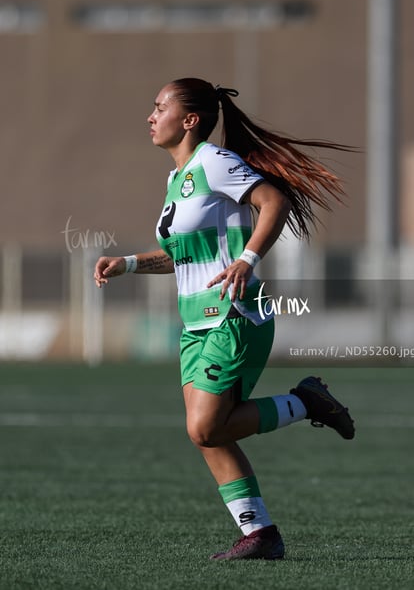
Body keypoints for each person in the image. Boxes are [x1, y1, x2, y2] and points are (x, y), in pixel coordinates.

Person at [94, 77, 355, 561]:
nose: (150, 117)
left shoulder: (214, 161)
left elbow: (272, 202)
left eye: (159, 108)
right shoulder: (178, 178)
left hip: (233, 315)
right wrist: (127, 264)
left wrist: (248, 260)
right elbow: (184, 256)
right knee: (207, 434)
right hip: (195, 325)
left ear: (189, 120)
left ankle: (306, 402)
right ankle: (260, 533)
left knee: (205, 428)